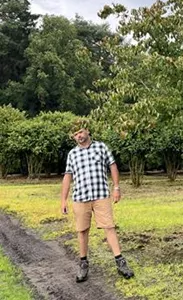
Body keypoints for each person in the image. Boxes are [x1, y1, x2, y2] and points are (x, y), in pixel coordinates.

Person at [61, 119, 134, 282]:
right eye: (75, 134)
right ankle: (83, 264)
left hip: (101, 195)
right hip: (80, 197)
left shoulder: (101, 147)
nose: (78, 136)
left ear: (87, 131)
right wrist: (63, 200)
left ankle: (121, 263)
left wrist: (116, 187)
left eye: (80, 132)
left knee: (109, 227)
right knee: (82, 230)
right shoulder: (72, 154)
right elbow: (68, 176)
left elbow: (112, 166)